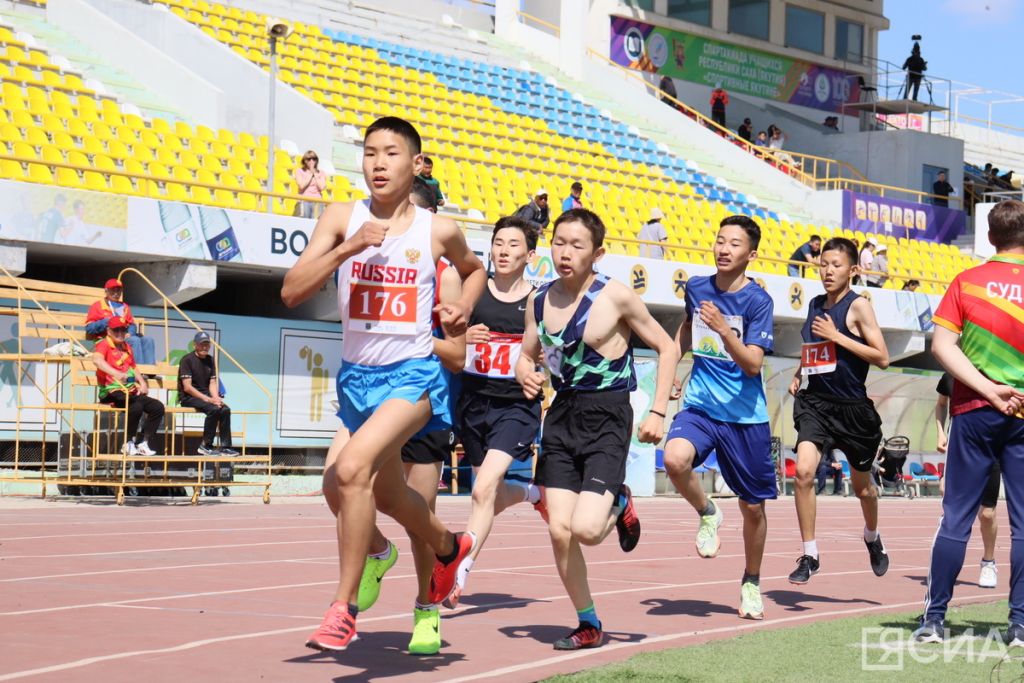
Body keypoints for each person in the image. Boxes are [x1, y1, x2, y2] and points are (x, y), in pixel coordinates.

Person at [281, 116, 486, 653]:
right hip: (357, 380)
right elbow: (291, 291)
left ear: (415, 164)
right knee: (380, 494)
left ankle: (343, 609)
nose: (378, 163)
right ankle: (448, 546)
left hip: (412, 376)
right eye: (370, 152)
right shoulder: (340, 217)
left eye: (391, 153)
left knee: (351, 471)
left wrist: (463, 306)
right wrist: (347, 249)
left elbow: (474, 268)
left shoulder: (436, 229)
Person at [515, 208, 678, 650]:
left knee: (587, 530)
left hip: (607, 415)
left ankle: (619, 501)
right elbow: (526, 355)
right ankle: (588, 622)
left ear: (598, 253)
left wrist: (658, 410)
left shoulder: (616, 296)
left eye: (577, 245)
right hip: (562, 416)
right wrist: (525, 373)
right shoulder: (538, 300)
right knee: (559, 530)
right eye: (559, 243)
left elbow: (667, 348)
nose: (565, 253)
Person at [914, 199, 1024, 645]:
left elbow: (942, 347)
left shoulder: (967, 281)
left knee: (956, 518)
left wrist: (988, 388)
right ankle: (1019, 625)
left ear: (990, 237)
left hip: (975, 410)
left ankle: (935, 620)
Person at [662, 215, 776, 620]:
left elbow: (752, 364)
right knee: (674, 459)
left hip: (745, 417)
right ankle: (707, 511)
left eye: (734, 243)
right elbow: (686, 330)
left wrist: (725, 330)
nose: (724, 249)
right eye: (720, 240)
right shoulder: (696, 287)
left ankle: (751, 581)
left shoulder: (758, 302)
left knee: (753, 509)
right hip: (701, 405)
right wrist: (672, 366)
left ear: (751, 254)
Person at [446, 216, 544, 609]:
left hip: (515, 406)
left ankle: (460, 570)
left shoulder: (538, 300)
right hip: (473, 403)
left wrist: (541, 368)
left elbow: (552, 352)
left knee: (483, 489)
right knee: (487, 493)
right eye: (498, 243)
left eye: (513, 245)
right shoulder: (473, 292)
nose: (503, 251)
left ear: (530, 255)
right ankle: (531, 492)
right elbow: (446, 338)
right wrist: (462, 337)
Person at [786, 237, 891, 585]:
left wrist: (837, 335)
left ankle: (872, 537)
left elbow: (883, 357)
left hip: (852, 411)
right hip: (816, 403)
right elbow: (814, 347)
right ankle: (810, 554)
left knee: (864, 489)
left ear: (853, 270)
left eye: (836, 265)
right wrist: (799, 372)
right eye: (824, 264)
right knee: (803, 473)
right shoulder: (815, 304)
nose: (828, 271)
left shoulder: (858, 306)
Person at [936, 372, 999, 589]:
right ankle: (947, 564)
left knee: (987, 513)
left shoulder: (995, 374)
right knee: (952, 507)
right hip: (961, 448)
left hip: (991, 448)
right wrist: (940, 433)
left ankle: (988, 562)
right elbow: (941, 404)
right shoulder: (951, 376)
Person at [92, 315, 164, 457]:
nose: (120, 333)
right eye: (116, 330)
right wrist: (116, 373)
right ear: (109, 331)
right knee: (136, 407)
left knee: (157, 407)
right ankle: (128, 442)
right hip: (110, 391)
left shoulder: (127, 347)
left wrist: (142, 383)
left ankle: (142, 442)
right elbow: (97, 360)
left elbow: (133, 367)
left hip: (129, 391)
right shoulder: (104, 344)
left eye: (123, 330)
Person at [178, 331, 238, 457]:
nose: (205, 347)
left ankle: (226, 447)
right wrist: (208, 399)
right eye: (202, 344)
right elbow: (187, 388)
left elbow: (212, 382)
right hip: (189, 397)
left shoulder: (210, 360)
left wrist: (216, 398)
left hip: (205, 396)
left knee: (225, 409)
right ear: (195, 345)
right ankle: (206, 445)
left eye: (207, 344)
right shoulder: (187, 360)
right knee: (214, 409)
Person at [85, 278, 156, 365]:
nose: (116, 293)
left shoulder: (124, 306)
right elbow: (89, 328)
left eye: (118, 290)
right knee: (135, 340)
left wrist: (130, 333)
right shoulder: (97, 306)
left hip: (123, 337)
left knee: (148, 340)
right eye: (113, 290)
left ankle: (150, 370)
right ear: (106, 291)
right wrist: (107, 321)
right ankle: (138, 369)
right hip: (108, 339)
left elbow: (131, 324)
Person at [294, 150, 327, 219]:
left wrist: (315, 173)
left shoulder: (321, 173)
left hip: (317, 201)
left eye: (314, 159)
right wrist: (310, 173)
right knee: (304, 221)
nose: (312, 161)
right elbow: (301, 186)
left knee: (315, 222)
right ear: (305, 161)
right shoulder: (300, 171)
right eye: (309, 159)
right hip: (304, 200)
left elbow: (322, 187)